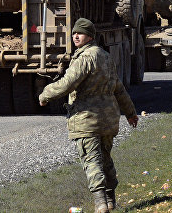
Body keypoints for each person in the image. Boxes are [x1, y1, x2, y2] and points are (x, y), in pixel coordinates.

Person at [38, 18, 138, 213]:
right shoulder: (106, 56)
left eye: (80, 33)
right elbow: (119, 89)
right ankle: (110, 201)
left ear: (90, 36)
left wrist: (45, 95)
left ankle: (100, 204)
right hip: (108, 119)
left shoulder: (84, 58)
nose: (76, 36)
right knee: (105, 158)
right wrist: (130, 113)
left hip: (87, 119)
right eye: (74, 33)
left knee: (92, 160)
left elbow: (68, 83)